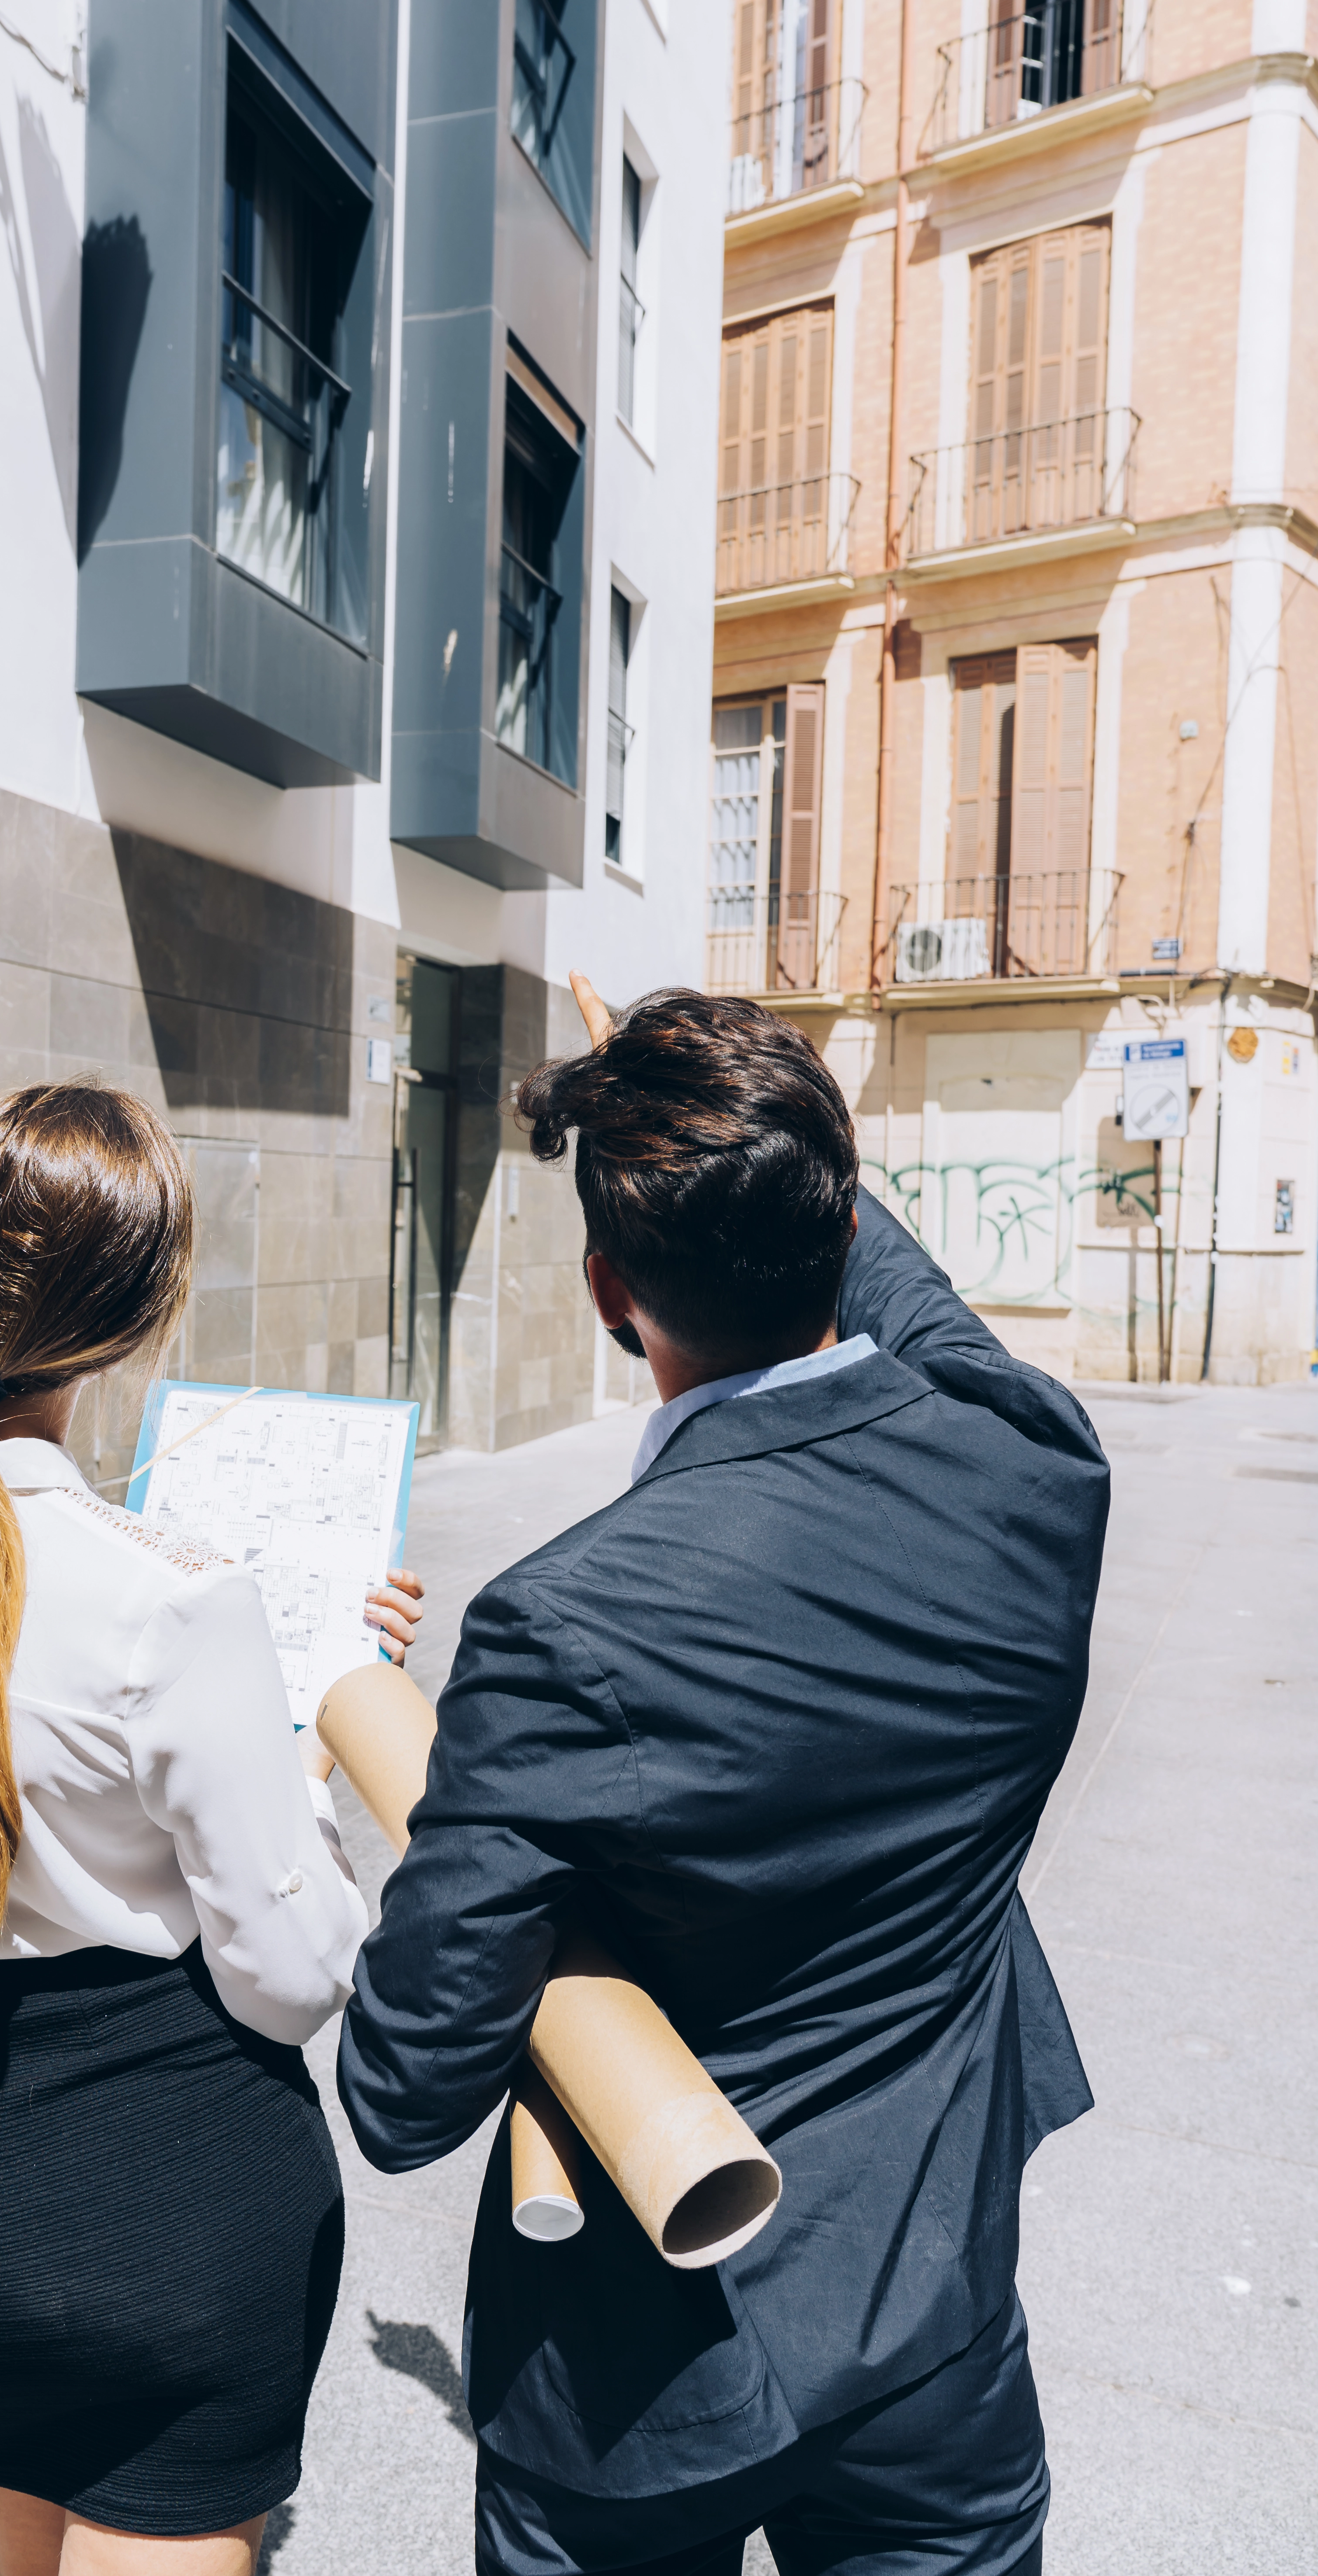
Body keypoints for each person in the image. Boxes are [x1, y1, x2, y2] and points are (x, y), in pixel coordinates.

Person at [336, 987, 1109, 2576]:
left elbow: (405, 2093)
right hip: (937, 2318)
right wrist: (751, 1122)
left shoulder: (564, 1624)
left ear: (609, 1293)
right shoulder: (1034, 1458)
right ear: (837, 1219)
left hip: (644, 2379)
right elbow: (901, 1282)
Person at [0, 1081, 422, 2576]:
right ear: (142, 1322)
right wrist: (309, 1751)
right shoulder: (176, 1602)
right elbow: (292, 1976)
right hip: (165, 2207)